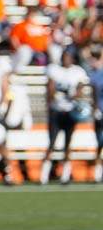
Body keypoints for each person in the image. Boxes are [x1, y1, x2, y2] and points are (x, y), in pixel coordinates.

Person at [40, 46, 89, 185]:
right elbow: (50, 89)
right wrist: (55, 95)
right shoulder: (54, 70)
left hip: (70, 112)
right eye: (64, 55)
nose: (65, 58)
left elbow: (80, 91)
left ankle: (65, 176)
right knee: (51, 143)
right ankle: (43, 177)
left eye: (68, 56)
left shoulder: (78, 72)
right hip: (56, 111)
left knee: (68, 144)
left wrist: (72, 95)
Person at [90, 48, 103, 183]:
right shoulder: (97, 75)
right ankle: (97, 173)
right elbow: (94, 94)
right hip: (100, 111)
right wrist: (95, 109)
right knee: (99, 143)